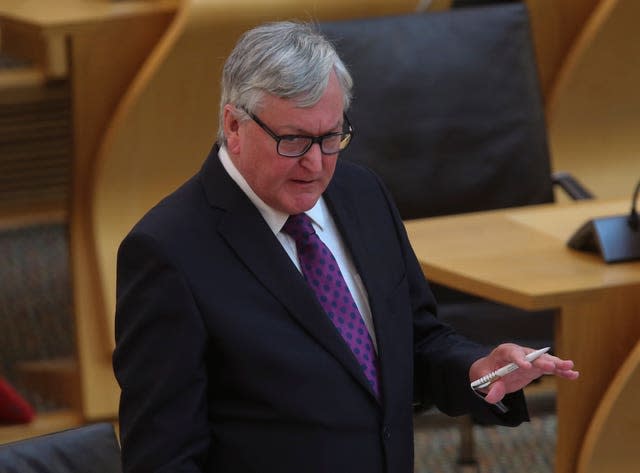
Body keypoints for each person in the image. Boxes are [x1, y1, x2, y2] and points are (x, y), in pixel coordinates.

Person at [112, 21, 579, 473]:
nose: (315, 164)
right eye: (292, 140)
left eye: (331, 136)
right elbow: (162, 458)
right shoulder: (166, 253)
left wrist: (479, 369)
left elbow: (415, 342)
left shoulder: (362, 194)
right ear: (233, 125)